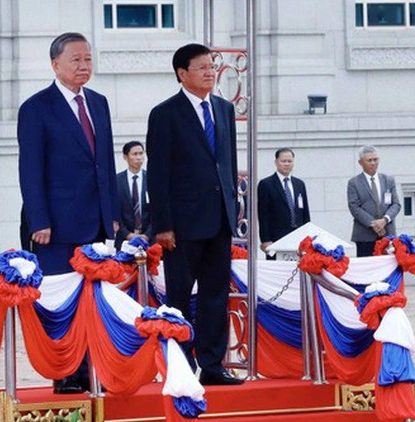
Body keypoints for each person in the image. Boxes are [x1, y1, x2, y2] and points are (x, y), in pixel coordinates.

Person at [17, 32, 119, 393]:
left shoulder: (99, 103)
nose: (83, 66)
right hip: (56, 226)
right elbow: (30, 170)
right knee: (63, 303)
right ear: (55, 64)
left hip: (95, 223)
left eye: (88, 59)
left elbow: (104, 164)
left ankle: (95, 371)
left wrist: (113, 215)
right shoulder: (36, 107)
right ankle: (67, 374)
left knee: (94, 301)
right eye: (76, 60)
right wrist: (39, 219)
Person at [147, 43, 242, 386]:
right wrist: (163, 225)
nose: (209, 72)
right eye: (201, 67)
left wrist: (233, 210)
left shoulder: (223, 110)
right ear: (182, 73)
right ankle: (182, 365)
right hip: (182, 225)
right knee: (180, 297)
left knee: (217, 294)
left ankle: (214, 365)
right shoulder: (165, 114)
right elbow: (157, 174)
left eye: (211, 66)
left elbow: (227, 165)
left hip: (219, 219)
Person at [347, 145, 400, 258]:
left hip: (387, 234)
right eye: (369, 160)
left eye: (375, 159)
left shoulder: (388, 180)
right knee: (367, 272)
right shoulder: (354, 183)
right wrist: (374, 224)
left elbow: (396, 204)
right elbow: (354, 208)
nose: (373, 163)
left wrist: (384, 220)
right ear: (361, 162)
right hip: (365, 236)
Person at [257, 148, 311, 257]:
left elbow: (305, 213)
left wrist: (307, 236)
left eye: (289, 161)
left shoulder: (299, 184)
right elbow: (263, 214)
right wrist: (265, 240)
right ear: (276, 162)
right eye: (283, 161)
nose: (286, 164)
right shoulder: (266, 184)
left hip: (297, 237)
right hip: (276, 238)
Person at [116, 140, 153, 245]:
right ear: (125, 157)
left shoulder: (151, 179)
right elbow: (115, 212)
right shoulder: (117, 181)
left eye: (141, 153)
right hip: (125, 240)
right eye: (135, 154)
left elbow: (157, 210)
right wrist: (127, 234)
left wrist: (147, 235)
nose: (139, 157)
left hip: (150, 239)